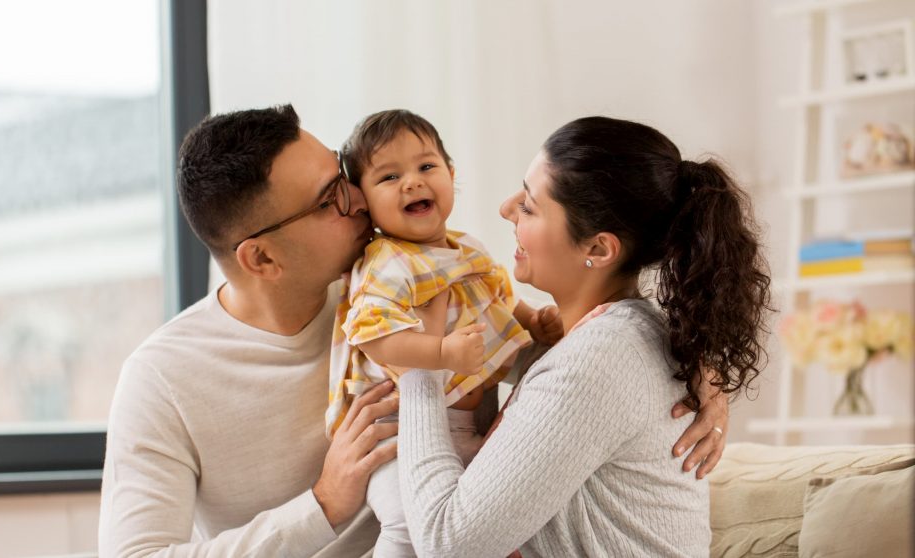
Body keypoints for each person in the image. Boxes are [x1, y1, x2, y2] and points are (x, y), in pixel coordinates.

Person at [97, 105, 732, 558]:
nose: (361, 203)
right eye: (330, 201)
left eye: (347, 180)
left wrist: (694, 361)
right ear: (261, 259)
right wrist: (322, 507)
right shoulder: (163, 378)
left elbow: (591, 353)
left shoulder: (405, 286)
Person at [396, 116, 771, 557]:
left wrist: (417, 366)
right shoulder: (612, 338)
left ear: (598, 249)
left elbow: (448, 544)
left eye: (530, 207)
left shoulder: (599, 358)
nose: (505, 208)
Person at [326, 110, 564, 557]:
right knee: (405, 527)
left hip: (468, 423)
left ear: (451, 175)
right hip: (394, 436)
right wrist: (438, 351)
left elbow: (497, 300)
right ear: (365, 204)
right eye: (389, 177)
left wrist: (533, 321)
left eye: (426, 167)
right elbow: (373, 337)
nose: (412, 182)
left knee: (491, 523)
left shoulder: (467, 247)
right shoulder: (386, 263)